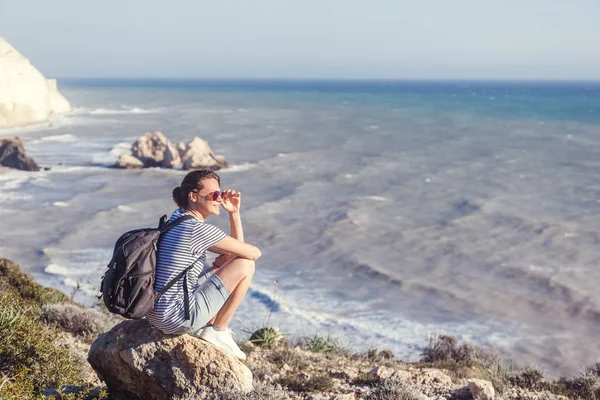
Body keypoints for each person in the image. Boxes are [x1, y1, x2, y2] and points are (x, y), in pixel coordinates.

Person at [146, 169, 261, 360]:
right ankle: (218, 330)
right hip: (177, 317)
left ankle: (210, 328)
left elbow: (233, 254)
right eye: (215, 194)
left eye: (221, 194)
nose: (219, 199)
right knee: (246, 265)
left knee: (223, 264)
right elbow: (252, 253)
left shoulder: (176, 220)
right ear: (193, 196)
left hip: (157, 313)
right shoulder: (196, 229)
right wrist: (235, 216)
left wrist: (233, 212)